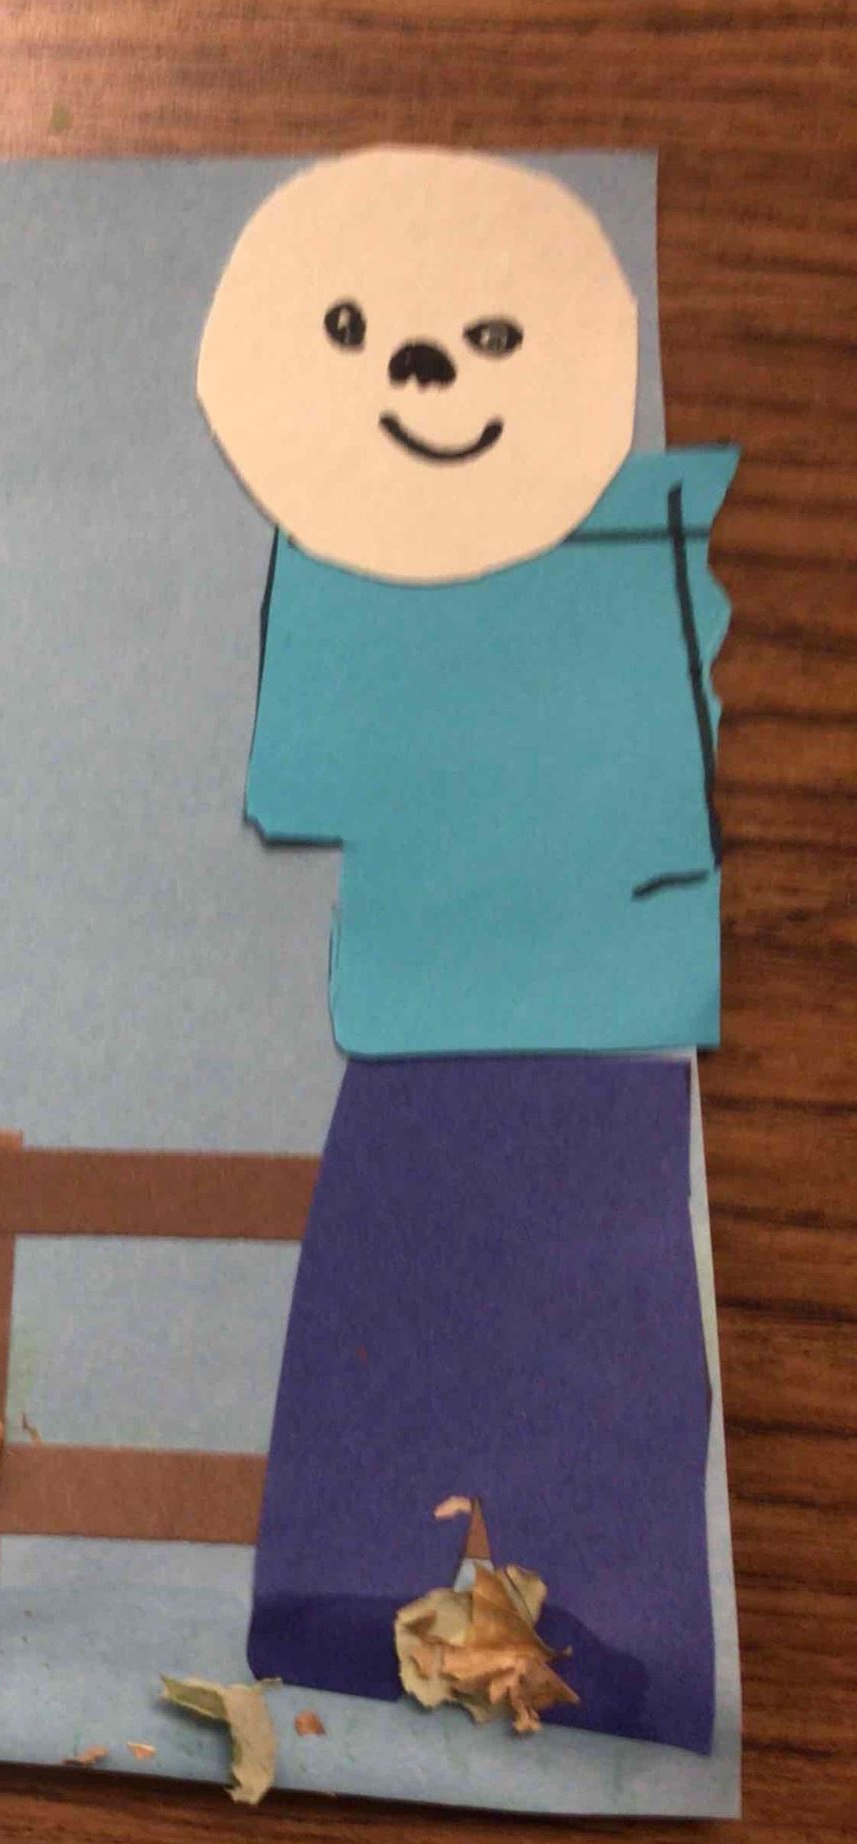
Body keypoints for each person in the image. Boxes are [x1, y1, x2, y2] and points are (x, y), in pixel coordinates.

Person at [197, 146, 731, 1753]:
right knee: (527, 1358)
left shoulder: (393, 571)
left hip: (499, 1040)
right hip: (544, 1033)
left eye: (488, 339)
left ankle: (460, 1627)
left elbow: (303, 782)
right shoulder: (628, 557)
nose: (426, 375)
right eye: (365, 336)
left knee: (489, 1351)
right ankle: (492, 1633)